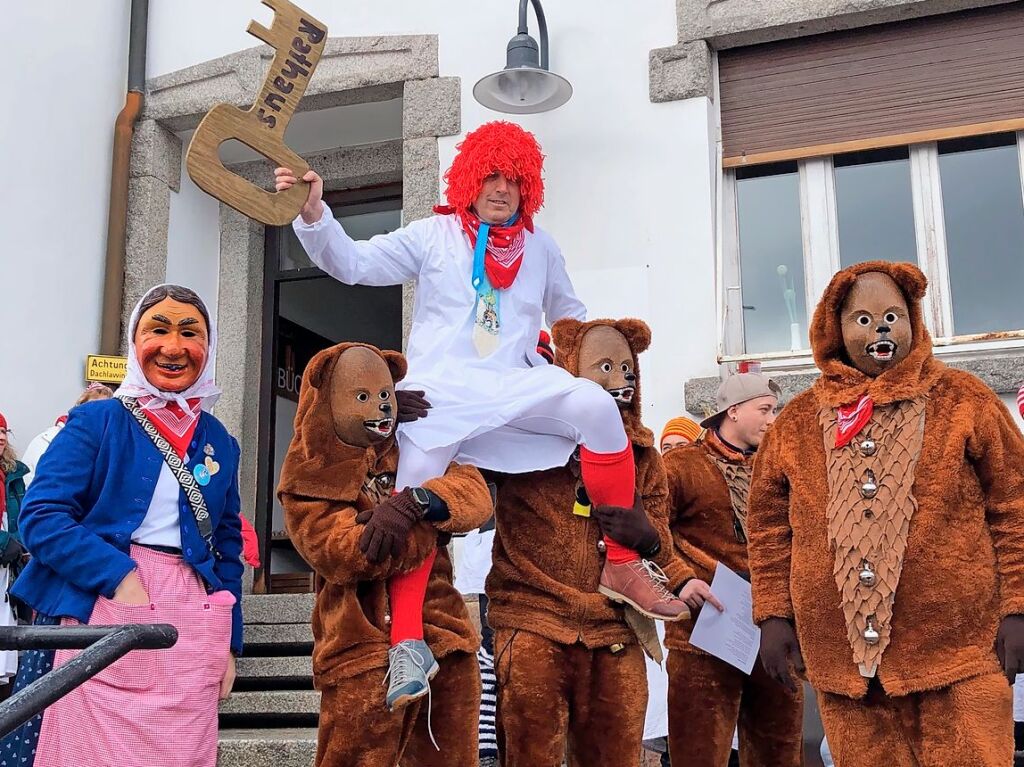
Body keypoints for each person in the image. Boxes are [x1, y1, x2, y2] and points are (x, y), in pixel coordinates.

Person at [275, 120, 686, 706]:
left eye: (514, 180)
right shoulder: (435, 234)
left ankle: (620, 564)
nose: (501, 189)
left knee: (596, 407)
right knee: (413, 493)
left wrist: (575, 347)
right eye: (490, 176)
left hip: (517, 385)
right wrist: (315, 213)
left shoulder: (542, 247)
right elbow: (352, 264)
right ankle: (408, 643)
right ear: (469, 179)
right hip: (441, 392)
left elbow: (571, 318)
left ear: (529, 188)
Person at [749, 261, 1024, 765]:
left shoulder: (964, 399)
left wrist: (1019, 605)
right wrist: (772, 617)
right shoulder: (796, 422)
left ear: (914, 321)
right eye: (863, 319)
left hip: (958, 650)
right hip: (845, 667)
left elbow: (1014, 504)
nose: (880, 328)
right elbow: (767, 527)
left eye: (893, 315)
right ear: (835, 328)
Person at [3, 284, 243, 767]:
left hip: (190, 615)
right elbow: (42, 516)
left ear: (208, 347)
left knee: (179, 751)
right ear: (135, 342)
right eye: (158, 329)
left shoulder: (220, 439)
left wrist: (229, 641)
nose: (174, 347)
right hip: (98, 598)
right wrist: (119, 577)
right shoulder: (96, 420)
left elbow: (227, 545)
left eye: (190, 332)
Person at [278, 342, 492, 766]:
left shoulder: (413, 442)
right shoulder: (309, 473)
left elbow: (474, 494)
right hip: (360, 649)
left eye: (383, 394)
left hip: (444, 637)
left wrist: (417, 502)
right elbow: (342, 551)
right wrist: (422, 527)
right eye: (362, 397)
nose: (379, 407)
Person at [487, 318, 687, 766]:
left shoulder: (644, 457)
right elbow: (473, 473)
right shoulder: (528, 438)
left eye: (628, 371)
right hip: (535, 621)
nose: (621, 382)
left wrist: (648, 537)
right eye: (605, 368)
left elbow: (663, 549)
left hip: (614, 632)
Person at [662, 373, 804, 766]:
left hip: (773, 631)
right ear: (734, 411)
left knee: (780, 752)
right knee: (699, 753)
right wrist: (680, 579)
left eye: (774, 410)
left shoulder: (778, 469)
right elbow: (651, 532)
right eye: (764, 410)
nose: (772, 419)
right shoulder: (681, 466)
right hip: (702, 633)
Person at [22, 383, 112, 486]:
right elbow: (27, 482)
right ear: (80, 408)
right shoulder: (48, 439)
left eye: (105, 411)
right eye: (93, 407)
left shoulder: (110, 447)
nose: (98, 415)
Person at [0, 414, 27, 684]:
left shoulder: (13, 473)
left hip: (8, 563)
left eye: (4, 431)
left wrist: (19, 542)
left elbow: (20, 515)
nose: (1, 436)